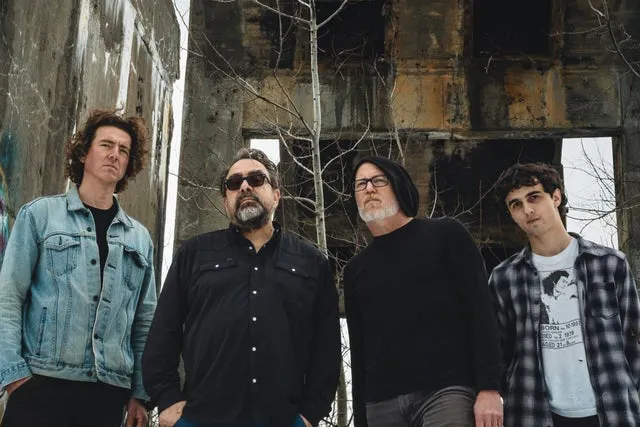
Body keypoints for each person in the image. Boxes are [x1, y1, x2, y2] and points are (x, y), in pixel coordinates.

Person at [142, 148, 341, 427]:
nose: (245, 186)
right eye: (234, 183)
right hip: (201, 420)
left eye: (256, 179)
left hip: (283, 421)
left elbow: (326, 349)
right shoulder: (194, 254)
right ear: (226, 202)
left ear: (276, 195)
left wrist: (310, 414)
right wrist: (167, 398)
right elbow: (164, 331)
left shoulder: (311, 263)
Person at [0, 109, 157, 427]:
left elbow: (144, 322)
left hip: (107, 395)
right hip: (40, 385)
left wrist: (140, 394)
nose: (114, 154)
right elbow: (9, 297)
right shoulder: (40, 216)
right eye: (106, 145)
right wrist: (13, 375)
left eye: (123, 150)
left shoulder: (139, 239)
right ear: (84, 153)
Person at [343, 156, 503, 427]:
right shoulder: (355, 270)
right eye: (361, 184)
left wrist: (490, 388)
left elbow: (481, 313)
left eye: (378, 180)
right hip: (381, 406)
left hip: (446, 394)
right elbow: (359, 354)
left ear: (399, 186)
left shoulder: (446, 235)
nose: (369, 188)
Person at [489, 162, 640, 427]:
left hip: (612, 409)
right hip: (535, 412)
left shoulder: (609, 264)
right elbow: (500, 352)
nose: (527, 210)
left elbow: (634, 340)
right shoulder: (505, 278)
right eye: (516, 204)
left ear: (556, 197)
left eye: (534, 197)